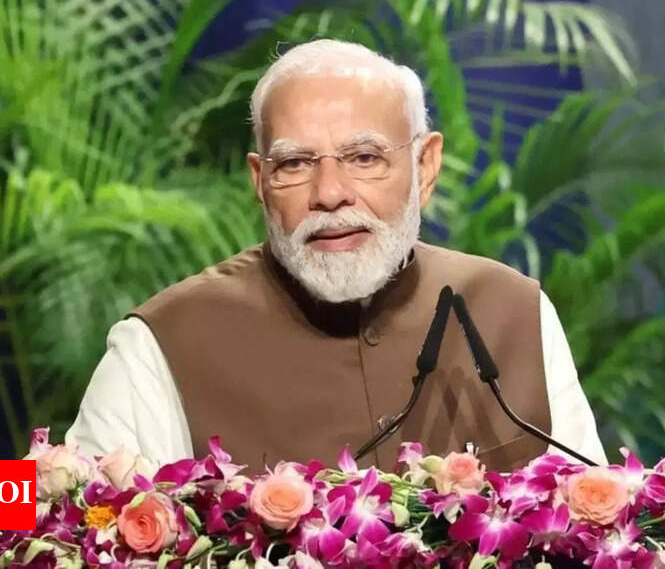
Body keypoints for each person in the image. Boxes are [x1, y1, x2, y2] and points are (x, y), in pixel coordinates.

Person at [65, 39, 606, 473]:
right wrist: (8, 499)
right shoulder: (159, 341)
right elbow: (27, 518)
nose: (329, 194)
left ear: (425, 167)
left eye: (365, 157)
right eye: (294, 163)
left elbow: (601, 528)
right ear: (260, 181)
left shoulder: (515, 311)